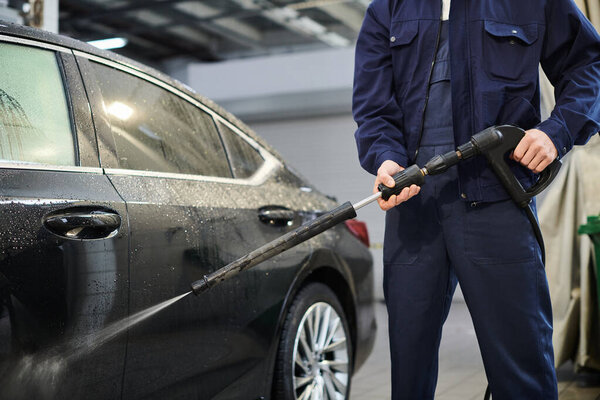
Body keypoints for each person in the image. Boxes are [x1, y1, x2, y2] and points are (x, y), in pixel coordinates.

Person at [352, 0, 600, 399]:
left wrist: (557, 131)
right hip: (412, 202)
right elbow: (373, 106)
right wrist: (386, 159)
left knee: (521, 367)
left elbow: (589, 65)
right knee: (409, 368)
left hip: (496, 196)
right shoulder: (389, 7)